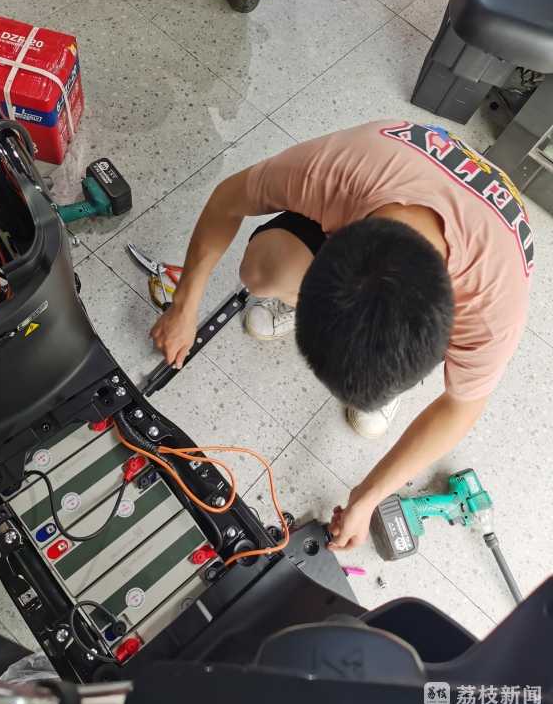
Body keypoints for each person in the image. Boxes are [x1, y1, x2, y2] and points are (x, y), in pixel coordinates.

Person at [151, 120, 533, 552]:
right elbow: (228, 198)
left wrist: (370, 494)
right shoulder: (333, 172)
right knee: (263, 270)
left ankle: (389, 380)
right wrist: (184, 305)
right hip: (393, 175)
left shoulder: (493, 307)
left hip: (485, 233)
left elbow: (461, 407)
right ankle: (310, 308)